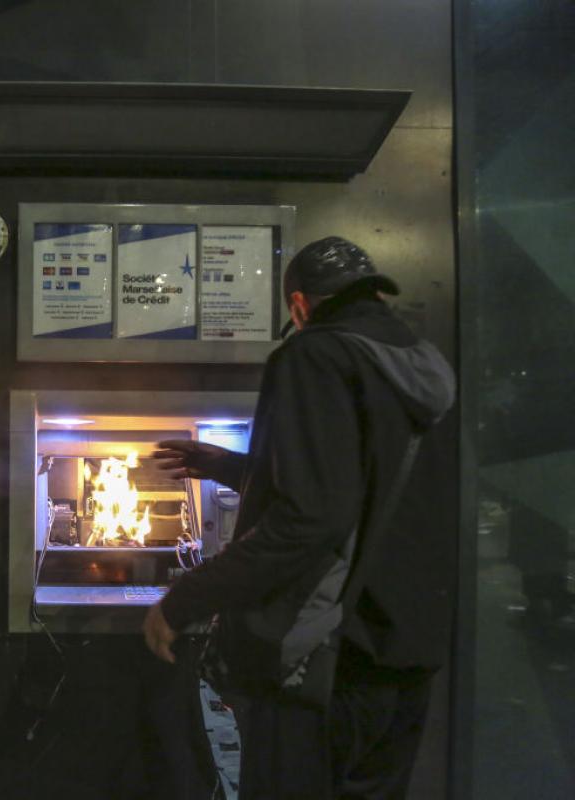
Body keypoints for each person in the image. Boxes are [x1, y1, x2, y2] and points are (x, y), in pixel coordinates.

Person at [142, 237, 456, 798]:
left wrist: (185, 599)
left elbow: (312, 517)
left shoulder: (314, 355)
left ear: (299, 307)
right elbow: (362, 488)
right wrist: (231, 468)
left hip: (329, 657)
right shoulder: (420, 369)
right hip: (407, 654)